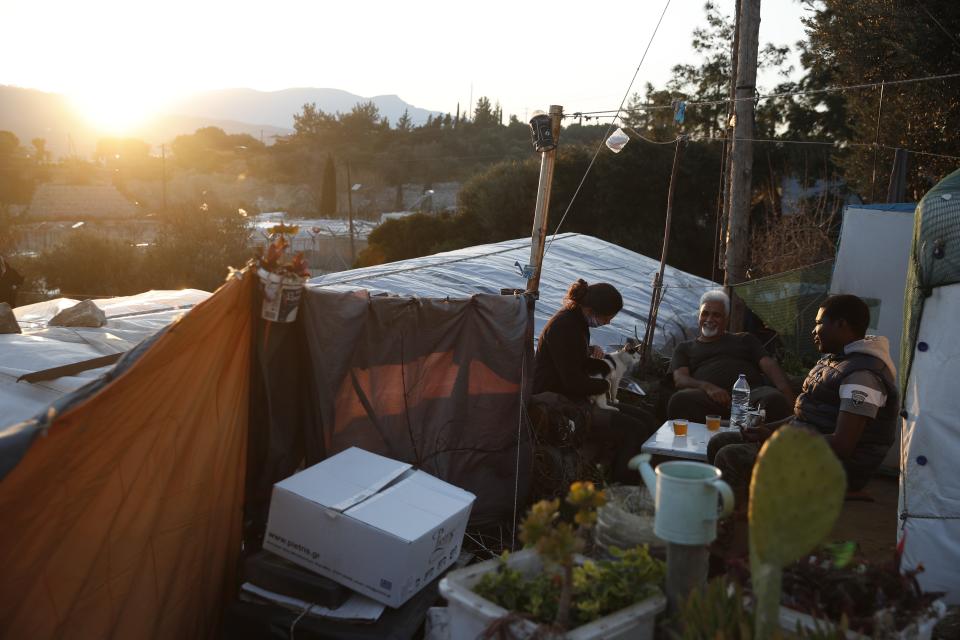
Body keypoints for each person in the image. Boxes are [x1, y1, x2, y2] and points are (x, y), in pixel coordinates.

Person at [708, 294, 899, 504]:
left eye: (818, 323)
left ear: (841, 324)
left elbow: (842, 445)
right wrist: (769, 431)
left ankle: (734, 517)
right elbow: (805, 417)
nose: (813, 330)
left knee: (730, 456)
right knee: (720, 441)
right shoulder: (838, 361)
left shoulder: (863, 377)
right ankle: (738, 507)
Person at [533, 279, 656, 483]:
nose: (608, 323)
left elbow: (575, 361)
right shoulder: (565, 326)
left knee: (647, 419)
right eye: (607, 317)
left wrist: (599, 363)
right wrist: (605, 385)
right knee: (634, 429)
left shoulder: (577, 322)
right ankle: (623, 487)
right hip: (560, 402)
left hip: (574, 395)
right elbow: (573, 382)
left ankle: (646, 478)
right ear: (590, 309)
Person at [668, 289, 795, 423]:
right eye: (705, 314)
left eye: (716, 315)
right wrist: (708, 387)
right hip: (708, 400)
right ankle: (734, 425)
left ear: (726, 319)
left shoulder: (745, 339)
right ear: (699, 316)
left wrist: (790, 399)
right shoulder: (685, 348)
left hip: (750, 398)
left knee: (774, 400)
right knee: (679, 401)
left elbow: (770, 366)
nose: (709, 319)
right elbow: (680, 379)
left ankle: (743, 427)